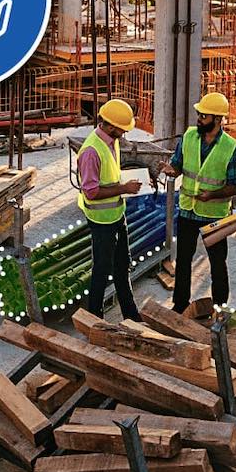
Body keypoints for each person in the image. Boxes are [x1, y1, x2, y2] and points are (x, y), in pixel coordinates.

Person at [158, 92, 236, 313]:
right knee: (184, 260)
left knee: (217, 263)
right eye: (198, 114)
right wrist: (172, 171)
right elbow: (178, 163)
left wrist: (213, 194)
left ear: (217, 119)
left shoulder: (231, 148)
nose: (198, 119)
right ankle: (180, 305)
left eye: (204, 116)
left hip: (214, 214)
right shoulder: (188, 137)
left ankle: (220, 307)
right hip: (188, 210)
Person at [76, 98, 144, 320]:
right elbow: (91, 192)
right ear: (111, 125)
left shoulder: (110, 141)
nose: (124, 133)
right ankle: (94, 318)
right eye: (122, 129)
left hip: (116, 214)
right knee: (102, 271)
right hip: (101, 220)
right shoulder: (91, 152)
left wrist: (129, 184)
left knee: (122, 266)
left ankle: (131, 316)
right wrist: (124, 188)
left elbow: (110, 177)